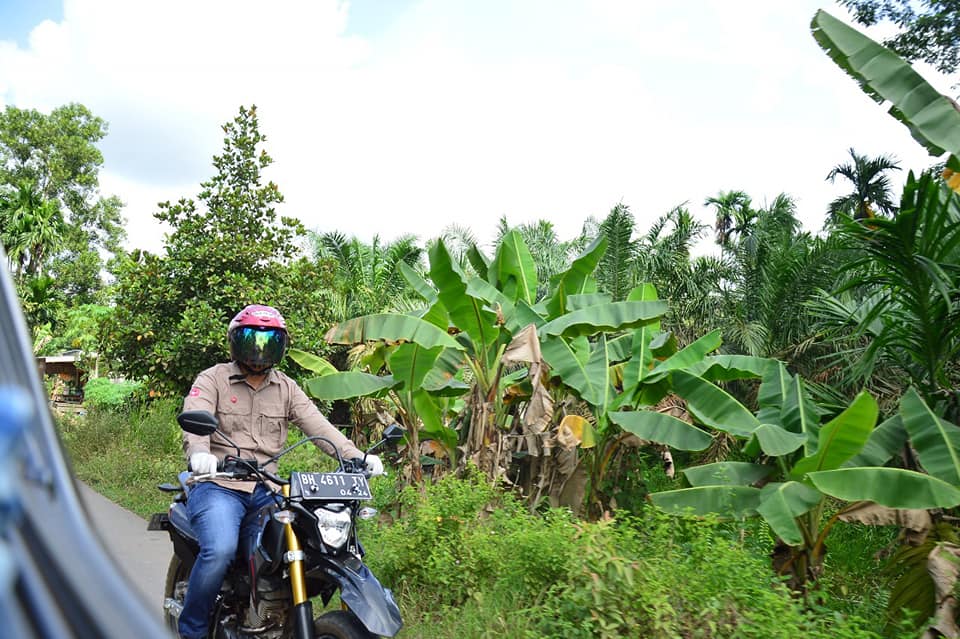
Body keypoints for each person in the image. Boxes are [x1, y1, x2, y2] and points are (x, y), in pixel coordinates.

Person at [176, 304, 383, 639]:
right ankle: (192, 630)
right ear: (234, 342)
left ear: (280, 346)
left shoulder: (287, 388)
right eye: (251, 340)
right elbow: (195, 417)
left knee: (299, 545)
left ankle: (269, 615)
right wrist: (201, 454)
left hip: (267, 490)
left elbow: (320, 427)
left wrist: (357, 457)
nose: (259, 349)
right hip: (219, 485)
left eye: (269, 341)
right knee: (220, 550)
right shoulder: (213, 378)